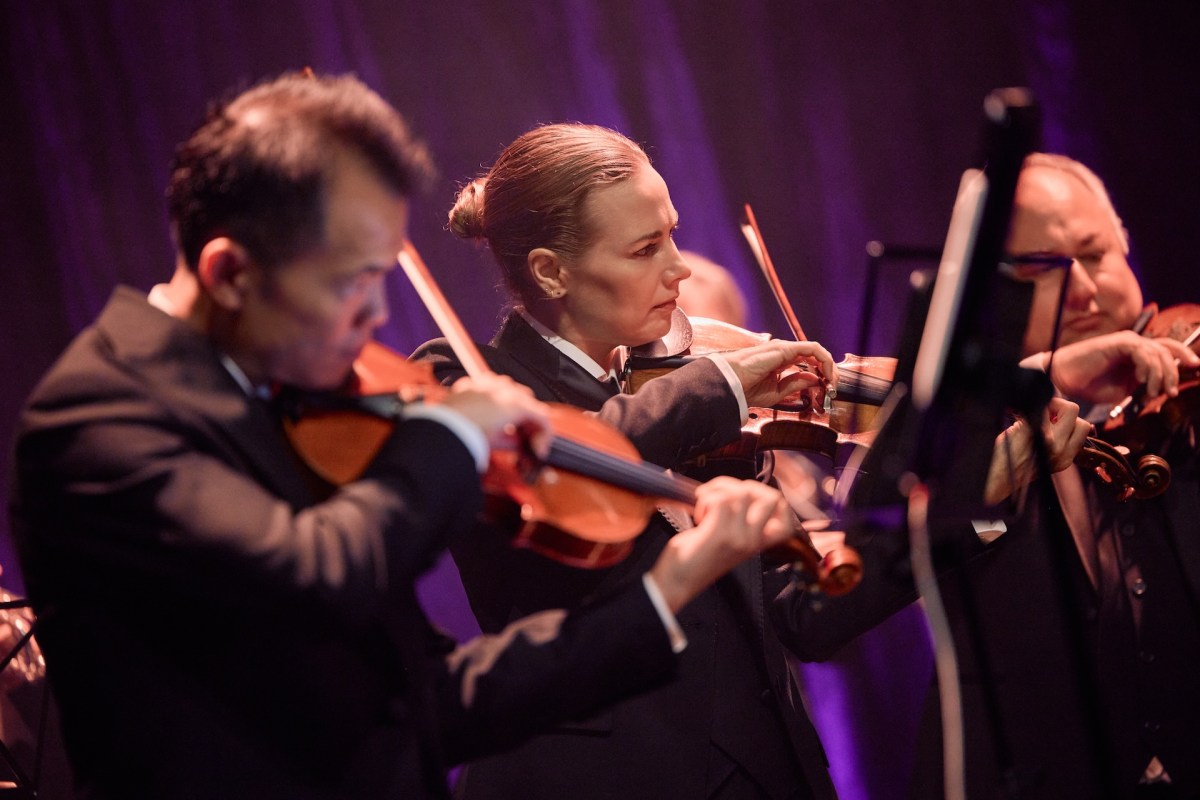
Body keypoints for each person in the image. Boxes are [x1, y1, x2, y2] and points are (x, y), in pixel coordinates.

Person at [7, 73, 806, 800]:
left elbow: (432, 701)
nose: (377, 319)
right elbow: (315, 574)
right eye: (348, 284)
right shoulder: (96, 421)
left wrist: (669, 589)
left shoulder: (287, 405)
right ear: (228, 274)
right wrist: (451, 442)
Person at [411, 123, 852, 800]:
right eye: (646, 249)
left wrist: (948, 515)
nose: (678, 268)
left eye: (671, 234)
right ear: (552, 271)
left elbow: (795, 612)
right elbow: (574, 453)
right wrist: (722, 385)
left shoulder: (676, 392)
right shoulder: (461, 379)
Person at [909, 154, 1200, 799]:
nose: (1087, 292)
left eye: (1097, 255)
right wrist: (1045, 376)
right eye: (1044, 269)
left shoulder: (1187, 395)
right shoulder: (961, 424)